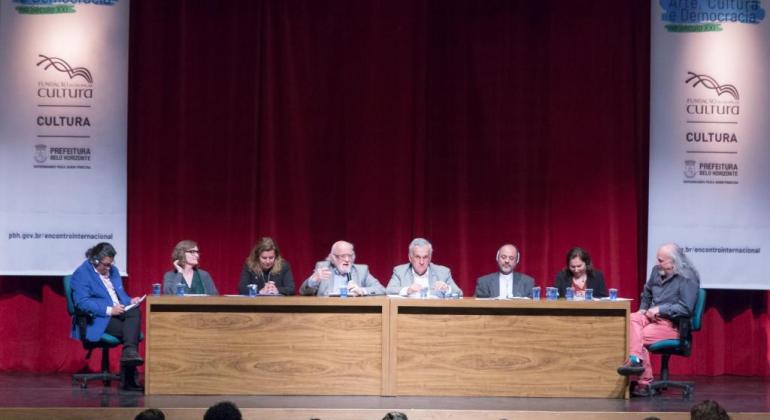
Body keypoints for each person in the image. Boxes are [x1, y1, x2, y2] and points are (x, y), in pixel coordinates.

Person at [617, 243, 700, 396]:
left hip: (672, 324)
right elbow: (647, 292)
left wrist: (661, 309)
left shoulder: (688, 278)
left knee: (634, 337)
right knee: (631, 319)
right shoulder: (657, 271)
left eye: (661, 260)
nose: (657, 263)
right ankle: (636, 360)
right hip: (650, 317)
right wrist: (643, 309)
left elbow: (686, 308)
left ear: (673, 262)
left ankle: (644, 382)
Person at [70, 242, 144, 391]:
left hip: (119, 312)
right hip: (97, 317)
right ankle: (128, 380)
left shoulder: (113, 271)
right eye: (106, 265)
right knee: (130, 333)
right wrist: (110, 310)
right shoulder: (82, 274)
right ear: (95, 261)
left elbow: (119, 295)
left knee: (135, 311)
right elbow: (82, 303)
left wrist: (130, 301)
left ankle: (129, 354)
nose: (109, 268)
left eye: (111, 264)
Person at [300, 240, 386, 296]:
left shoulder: (361, 270)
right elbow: (303, 292)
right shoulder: (323, 268)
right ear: (333, 258)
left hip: (354, 311)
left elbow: (381, 290)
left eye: (350, 255)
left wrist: (362, 290)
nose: (347, 260)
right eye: (343, 256)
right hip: (326, 310)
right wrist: (312, 281)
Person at [386, 238, 461, 297]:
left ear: (430, 258)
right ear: (410, 258)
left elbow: (459, 293)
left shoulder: (443, 272)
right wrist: (408, 290)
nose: (421, 262)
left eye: (425, 257)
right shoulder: (400, 271)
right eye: (418, 257)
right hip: (407, 313)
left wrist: (447, 289)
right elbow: (388, 290)